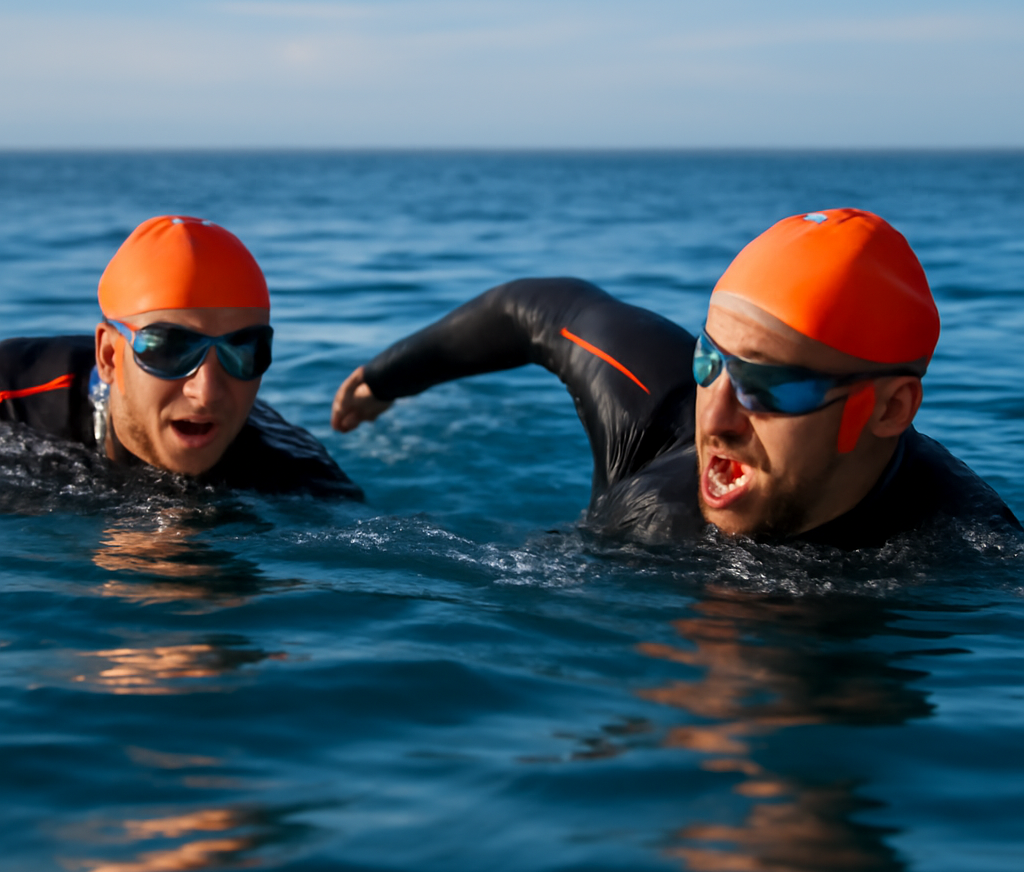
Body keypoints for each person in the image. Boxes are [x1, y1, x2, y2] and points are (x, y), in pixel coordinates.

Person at [331, 208, 1019, 548]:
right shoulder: (655, 438)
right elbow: (540, 310)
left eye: (769, 387)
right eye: (709, 363)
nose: (714, 417)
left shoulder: (968, 553)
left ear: (891, 407)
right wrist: (385, 378)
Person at [0, 215, 361, 498]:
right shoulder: (13, 398)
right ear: (109, 356)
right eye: (171, 349)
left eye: (242, 351)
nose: (207, 392)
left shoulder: (301, 477)